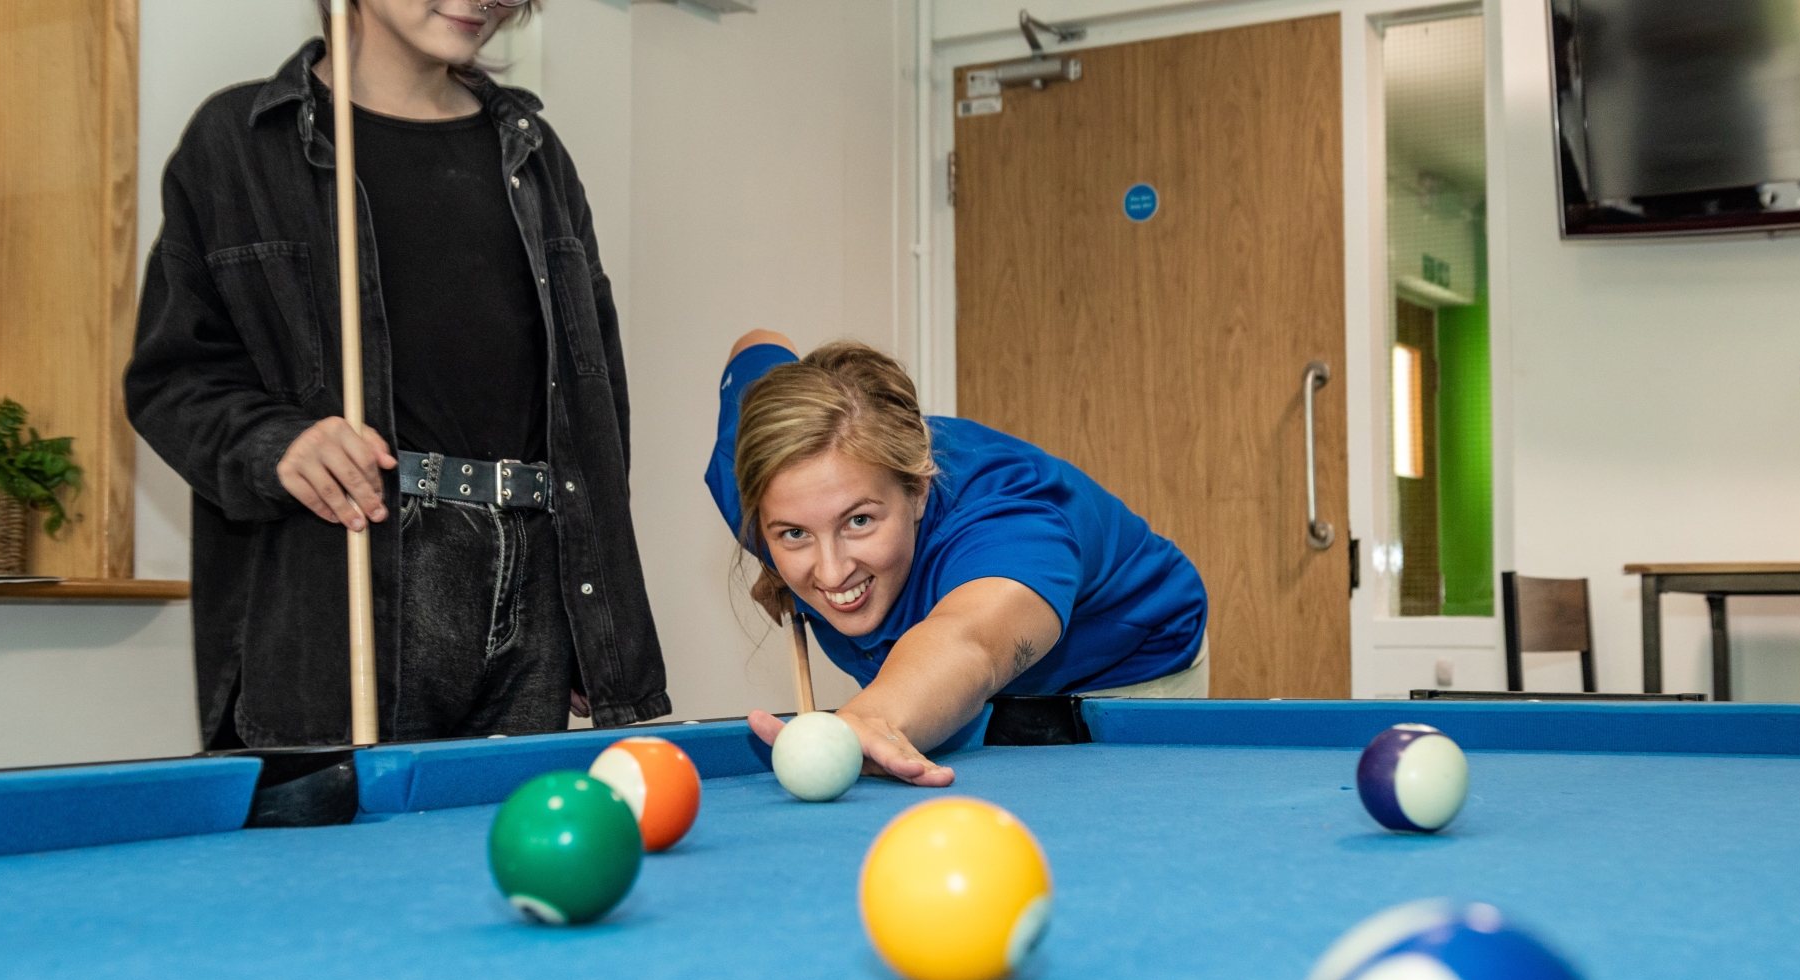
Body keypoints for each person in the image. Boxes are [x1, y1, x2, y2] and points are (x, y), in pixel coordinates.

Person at [125, 0, 668, 749]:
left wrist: (596, 622)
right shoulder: (238, 143)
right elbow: (170, 380)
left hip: (538, 577)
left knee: (507, 860)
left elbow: (596, 399)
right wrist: (277, 443)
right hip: (348, 579)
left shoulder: (536, 154)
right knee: (333, 862)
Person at [707, 330, 1209, 787]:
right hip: (931, 692)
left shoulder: (1012, 526)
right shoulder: (766, 469)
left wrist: (874, 717)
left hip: (1126, 670)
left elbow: (969, 643)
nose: (832, 571)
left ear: (920, 491)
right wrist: (778, 561)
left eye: (858, 521)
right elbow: (757, 344)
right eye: (795, 533)